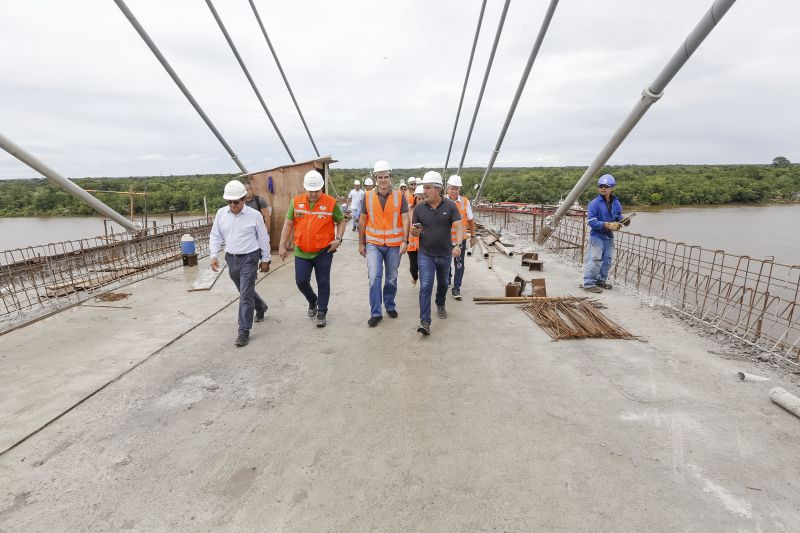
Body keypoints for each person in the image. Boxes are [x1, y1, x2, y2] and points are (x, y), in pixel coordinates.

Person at [278, 170, 347, 327]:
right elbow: (288, 223)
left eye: (316, 191)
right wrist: (282, 245)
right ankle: (312, 300)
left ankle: (322, 311)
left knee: (323, 282)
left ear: (321, 188)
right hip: (301, 251)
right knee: (301, 281)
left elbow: (341, 221)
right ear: (305, 188)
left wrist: (338, 239)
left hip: (324, 251)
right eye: (311, 191)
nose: (314, 194)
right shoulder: (296, 202)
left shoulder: (330, 203)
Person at [209, 180, 271, 347]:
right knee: (245, 290)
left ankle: (243, 330)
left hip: (250, 257)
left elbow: (263, 238)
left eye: (236, 202)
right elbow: (215, 235)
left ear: (244, 199)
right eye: (229, 202)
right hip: (231, 258)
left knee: (244, 294)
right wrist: (214, 255)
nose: (233, 205)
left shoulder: (255, 216)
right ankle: (261, 306)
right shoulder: (221, 214)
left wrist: (265, 259)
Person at [358, 160, 409, 327]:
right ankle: (376, 312)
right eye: (380, 177)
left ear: (390, 177)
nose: (383, 180)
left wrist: (405, 240)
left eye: (386, 177)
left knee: (391, 278)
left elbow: (405, 219)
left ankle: (389, 304)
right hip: (374, 243)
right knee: (374, 277)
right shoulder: (367, 196)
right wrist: (361, 243)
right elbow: (363, 220)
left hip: (394, 244)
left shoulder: (400, 196)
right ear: (375, 178)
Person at [411, 171, 462, 335]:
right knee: (425, 286)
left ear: (438, 189)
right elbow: (414, 232)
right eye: (423, 188)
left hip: (445, 254)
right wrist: (414, 232)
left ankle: (440, 303)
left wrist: (458, 244)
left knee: (442, 284)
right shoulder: (419, 209)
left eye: (427, 188)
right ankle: (425, 321)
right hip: (425, 254)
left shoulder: (450, 206)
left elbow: (459, 227)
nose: (424, 191)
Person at [583, 174, 625, 293]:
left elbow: (618, 215)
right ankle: (588, 283)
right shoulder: (594, 203)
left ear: (612, 188)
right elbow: (591, 221)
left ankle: (601, 281)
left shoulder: (616, 202)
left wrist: (623, 220)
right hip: (597, 236)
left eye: (606, 186)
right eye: (601, 186)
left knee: (607, 259)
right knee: (595, 259)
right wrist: (606, 225)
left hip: (608, 236)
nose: (603, 188)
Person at [445, 175, 477, 300]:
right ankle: (447, 277)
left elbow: (471, 220)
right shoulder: (442, 201)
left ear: (459, 189)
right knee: (445, 262)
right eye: (452, 188)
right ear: (447, 188)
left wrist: (473, 236)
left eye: (456, 189)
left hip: (460, 239)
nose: (454, 191)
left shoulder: (465, 201)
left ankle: (456, 288)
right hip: (445, 239)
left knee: (459, 264)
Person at [406, 184, 424, 287]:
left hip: (425, 245)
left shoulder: (430, 211)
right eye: (419, 198)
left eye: (423, 198)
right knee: (413, 267)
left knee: (424, 266)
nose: (421, 201)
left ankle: (424, 284)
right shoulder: (409, 211)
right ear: (415, 199)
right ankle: (414, 277)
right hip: (412, 245)